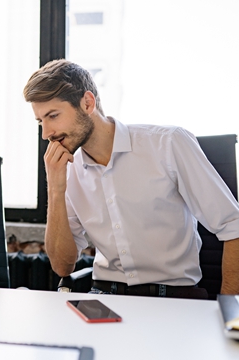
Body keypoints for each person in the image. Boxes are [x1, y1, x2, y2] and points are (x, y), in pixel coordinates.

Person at [23, 59, 239, 299]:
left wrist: (229, 315)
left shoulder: (167, 144)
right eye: (40, 121)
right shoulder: (69, 171)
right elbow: (63, 267)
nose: (46, 133)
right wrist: (55, 188)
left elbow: (233, 226)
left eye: (53, 115)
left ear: (87, 103)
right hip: (105, 297)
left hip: (175, 299)